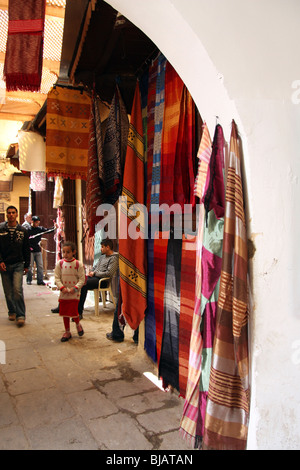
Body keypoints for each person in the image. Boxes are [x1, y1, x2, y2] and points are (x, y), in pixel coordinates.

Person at [0, 205, 30, 327]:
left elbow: (26, 249)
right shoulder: (1, 229)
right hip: (4, 265)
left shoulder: (22, 231)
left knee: (17, 290)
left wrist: (26, 265)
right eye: (9, 213)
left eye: (13, 212)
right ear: (6, 215)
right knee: (8, 291)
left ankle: (21, 315)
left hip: (18, 264)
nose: (11, 215)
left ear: (17, 214)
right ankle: (12, 311)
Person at [77, 239, 118, 319]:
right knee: (78, 281)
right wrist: (92, 272)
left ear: (108, 247)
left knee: (84, 284)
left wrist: (95, 273)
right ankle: (68, 307)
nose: (100, 249)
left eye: (102, 247)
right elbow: (95, 267)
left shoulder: (114, 258)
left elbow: (109, 273)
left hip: (103, 281)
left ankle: (79, 313)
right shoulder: (102, 257)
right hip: (94, 278)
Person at [54, 241, 86, 342]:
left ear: (74, 252)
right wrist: (62, 287)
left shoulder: (78, 264)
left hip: (74, 293)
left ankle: (77, 324)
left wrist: (75, 288)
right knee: (64, 313)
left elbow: (82, 279)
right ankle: (67, 332)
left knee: (73, 311)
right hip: (64, 293)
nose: (65, 254)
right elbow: (57, 278)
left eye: (68, 252)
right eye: (63, 252)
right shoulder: (60, 264)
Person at [27, 216, 57, 285]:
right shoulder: (28, 230)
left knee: (40, 265)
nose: (37, 224)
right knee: (30, 266)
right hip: (30, 250)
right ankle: (29, 279)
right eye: (36, 222)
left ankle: (40, 280)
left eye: (38, 223)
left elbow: (48, 230)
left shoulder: (40, 229)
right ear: (32, 222)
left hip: (38, 250)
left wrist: (54, 227)